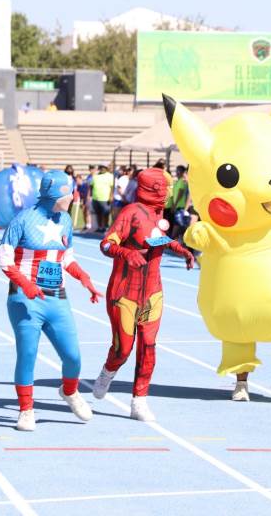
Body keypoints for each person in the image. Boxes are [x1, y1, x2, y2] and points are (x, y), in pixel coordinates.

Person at [0, 170, 103, 431]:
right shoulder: (22, 221)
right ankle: (26, 410)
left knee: (73, 356)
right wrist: (27, 286)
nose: (74, 196)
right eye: (69, 192)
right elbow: (3, 259)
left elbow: (67, 258)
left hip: (57, 299)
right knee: (28, 354)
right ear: (57, 194)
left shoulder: (65, 220)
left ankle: (69, 391)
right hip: (25, 300)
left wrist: (84, 278)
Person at [91, 168, 195, 421]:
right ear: (153, 188)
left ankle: (139, 400)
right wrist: (127, 253)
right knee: (123, 350)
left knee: (148, 347)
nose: (168, 193)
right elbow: (107, 243)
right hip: (125, 293)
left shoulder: (158, 213)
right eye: (164, 188)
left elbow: (158, 238)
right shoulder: (130, 213)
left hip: (153, 293)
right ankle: (108, 371)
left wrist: (181, 249)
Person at [90, 165, 113, 233]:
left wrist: (111, 196)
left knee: (106, 214)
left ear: (106, 168)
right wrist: (90, 196)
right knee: (98, 213)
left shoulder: (110, 176)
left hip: (105, 198)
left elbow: (112, 187)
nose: (102, 169)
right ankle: (100, 227)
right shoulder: (95, 176)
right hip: (95, 198)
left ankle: (105, 227)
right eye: (100, 167)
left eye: (103, 167)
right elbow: (91, 186)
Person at [169, 165, 190, 239]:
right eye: (176, 171)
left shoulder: (181, 181)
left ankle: (172, 239)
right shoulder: (178, 181)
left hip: (180, 205)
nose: (177, 172)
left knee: (177, 224)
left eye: (178, 171)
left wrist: (175, 204)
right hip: (176, 205)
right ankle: (176, 238)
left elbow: (180, 193)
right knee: (179, 224)